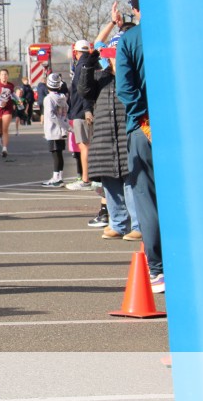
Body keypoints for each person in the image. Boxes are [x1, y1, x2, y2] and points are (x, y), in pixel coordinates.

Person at [116, 0, 163, 293]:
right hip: (182, 127)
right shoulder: (177, 32)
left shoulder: (130, 39)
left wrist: (142, 117)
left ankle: (158, 269)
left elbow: (125, 88)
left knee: (147, 199)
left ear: (134, 7)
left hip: (143, 128)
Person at [79, 13, 142, 241]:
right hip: (105, 138)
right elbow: (84, 89)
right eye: (112, 55)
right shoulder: (101, 76)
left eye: (118, 54)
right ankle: (117, 223)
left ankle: (138, 225)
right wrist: (92, 58)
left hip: (126, 136)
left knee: (132, 182)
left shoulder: (132, 76)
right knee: (110, 183)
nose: (115, 59)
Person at [66, 40, 95, 190]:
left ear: (76, 53)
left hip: (81, 111)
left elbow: (84, 89)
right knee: (87, 145)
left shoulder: (81, 66)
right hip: (84, 109)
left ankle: (86, 179)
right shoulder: (91, 64)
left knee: (84, 146)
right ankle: (91, 178)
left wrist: (86, 109)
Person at [41, 73, 70, 187]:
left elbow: (51, 115)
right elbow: (66, 109)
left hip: (52, 130)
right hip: (61, 131)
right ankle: (59, 177)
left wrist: (62, 125)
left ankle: (56, 178)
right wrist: (65, 125)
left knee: (55, 154)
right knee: (59, 154)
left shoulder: (48, 98)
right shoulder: (62, 97)